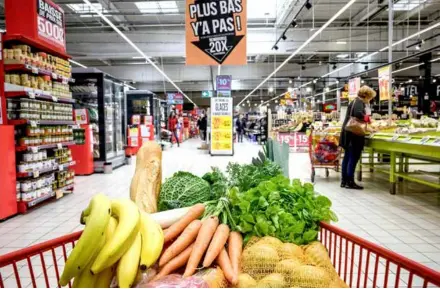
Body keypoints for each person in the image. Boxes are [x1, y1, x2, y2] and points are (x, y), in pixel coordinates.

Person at [340, 85, 376, 190]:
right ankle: (350, 181)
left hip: (347, 133)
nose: (370, 99)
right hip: (354, 135)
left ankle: (344, 180)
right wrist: (368, 119)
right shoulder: (360, 102)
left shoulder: (354, 101)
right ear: (366, 95)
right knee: (353, 157)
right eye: (370, 97)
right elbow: (358, 114)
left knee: (347, 157)